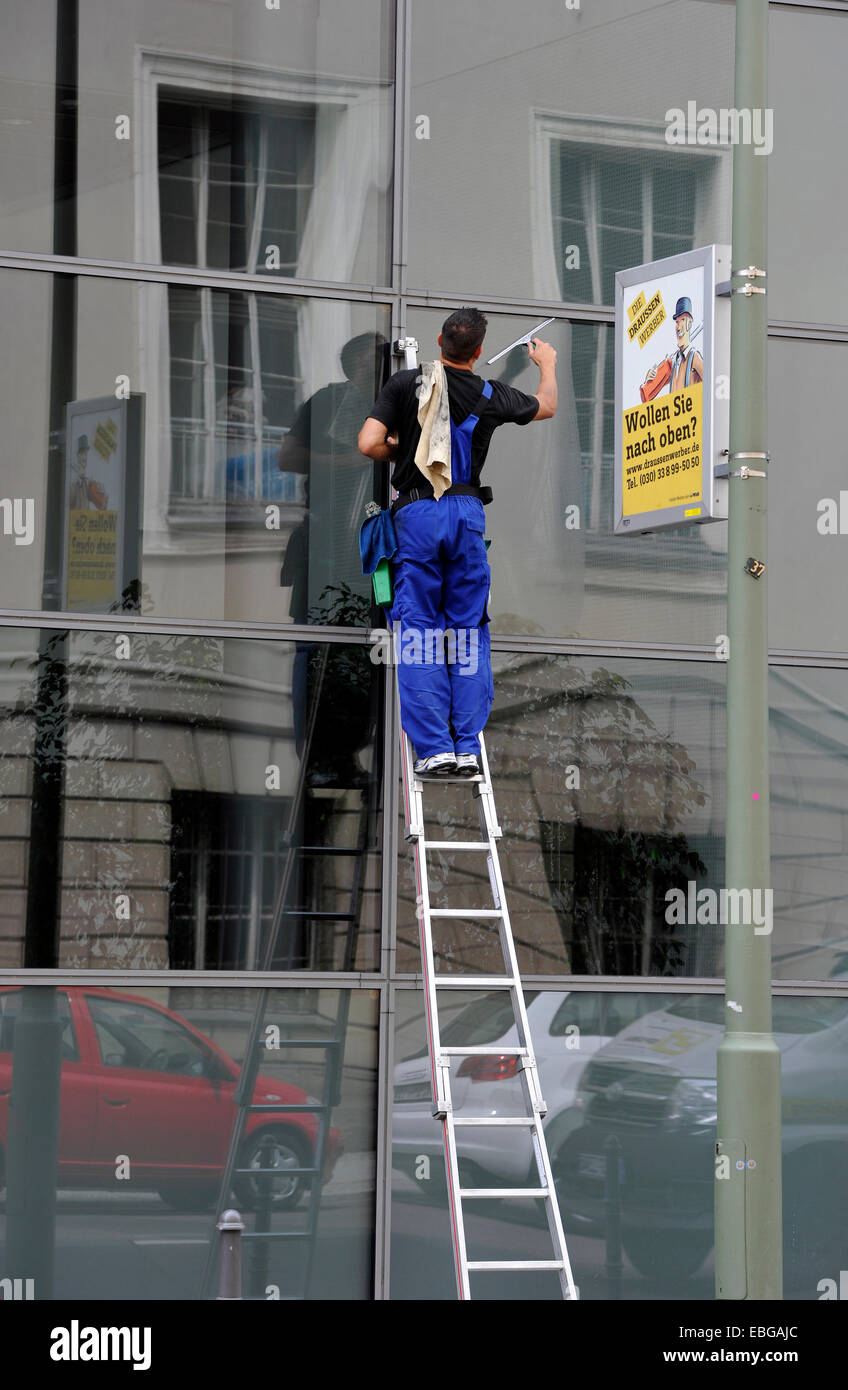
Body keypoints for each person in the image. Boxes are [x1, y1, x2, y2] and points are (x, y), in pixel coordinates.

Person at [357, 307, 557, 777]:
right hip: (466, 515)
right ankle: (466, 746)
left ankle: (434, 749)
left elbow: (369, 443)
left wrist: (403, 450)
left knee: (419, 631)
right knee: (468, 631)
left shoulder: (406, 385)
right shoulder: (491, 394)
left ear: (440, 340)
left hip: (418, 513)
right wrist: (545, 364)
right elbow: (545, 406)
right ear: (480, 352)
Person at [642, 295, 703, 398]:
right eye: (677, 322)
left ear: (690, 324)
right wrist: (648, 380)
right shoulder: (673, 362)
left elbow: (712, 387)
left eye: (683, 320)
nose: (678, 327)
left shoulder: (694, 358)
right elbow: (647, 395)